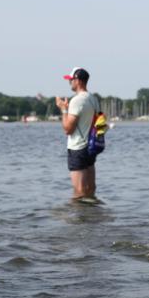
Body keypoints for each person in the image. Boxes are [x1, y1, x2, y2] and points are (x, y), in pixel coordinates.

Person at [55, 67, 100, 201]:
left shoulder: (77, 100)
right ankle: (91, 217)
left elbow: (68, 129)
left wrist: (63, 110)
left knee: (79, 191)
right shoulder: (93, 98)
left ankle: (78, 220)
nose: (70, 83)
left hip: (78, 148)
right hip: (91, 147)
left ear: (78, 80)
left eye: (71, 80)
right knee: (90, 189)